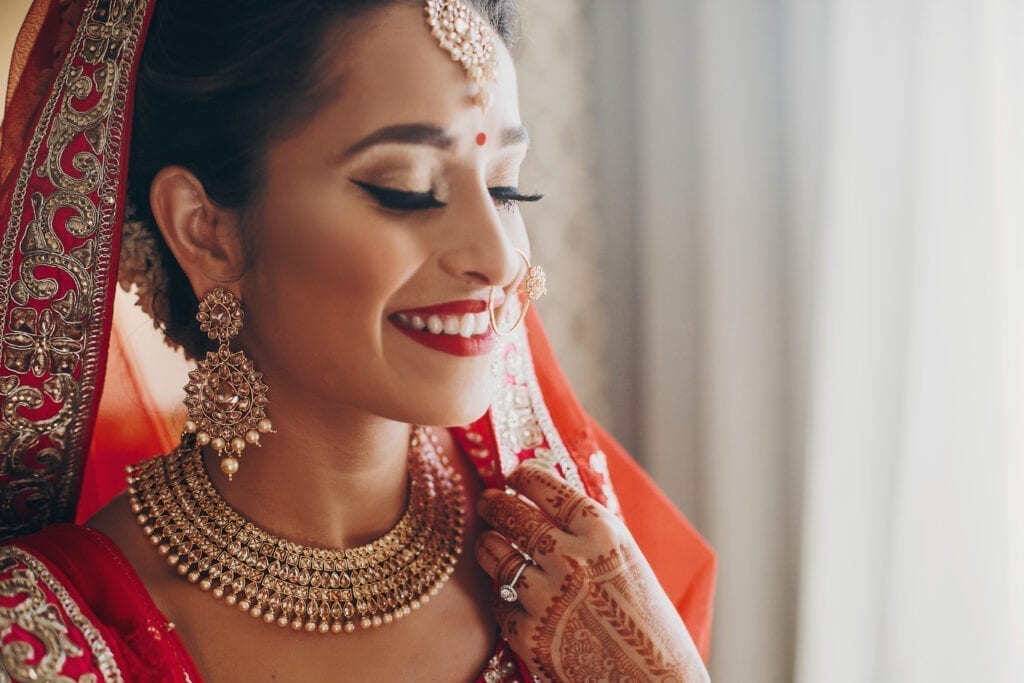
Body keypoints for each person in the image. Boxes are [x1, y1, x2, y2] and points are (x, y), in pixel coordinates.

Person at [0, 0, 716, 680]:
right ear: (205, 230)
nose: (498, 260)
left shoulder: (572, 561)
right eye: (407, 189)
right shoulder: (45, 641)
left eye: (506, 189)